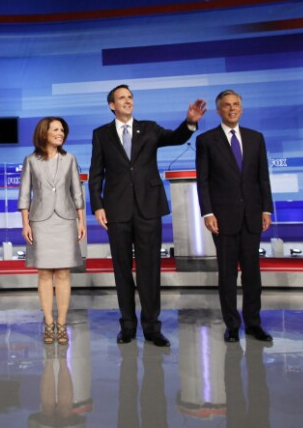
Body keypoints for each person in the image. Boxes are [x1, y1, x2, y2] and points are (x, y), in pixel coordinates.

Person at [88, 84, 206, 347]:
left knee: (150, 270)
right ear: (112, 105)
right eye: (122, 98)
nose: (128, 101)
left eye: (130, 97)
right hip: (116, 210)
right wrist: (97, 205)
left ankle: (152, 327)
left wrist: (189, 122)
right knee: (122, 270)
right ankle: (127, 325)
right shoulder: (101, 134)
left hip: (148, 208)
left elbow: (175, 137)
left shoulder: (150, 128)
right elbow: (96, 173)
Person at [195, 89, 274, 343]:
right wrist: (207, 212)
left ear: (241, 108)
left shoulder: (256, 138)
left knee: (252, 274)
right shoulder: (206, 140)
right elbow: (203, 180)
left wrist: (266, 208)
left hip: (252, 216)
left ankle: (254, 324)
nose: (232, 109)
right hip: (223, 218)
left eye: (236, 104)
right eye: (227, 105)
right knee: (228, 275)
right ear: (219, 110)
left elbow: (263, 177)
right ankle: (231, 324)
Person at [17, 117, 86, 344]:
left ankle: (63, 324)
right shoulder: (31, 160)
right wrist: (26, 223)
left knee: (64, 273)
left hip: (66, 220)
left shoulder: (70, 159)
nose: (60, 133)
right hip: (40, 221)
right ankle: (48, 323)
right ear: (44, 133)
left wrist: (81, 221)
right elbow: (25, 194)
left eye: (62, 130)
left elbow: (77, 193)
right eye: (55, 129)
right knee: (45, 273)